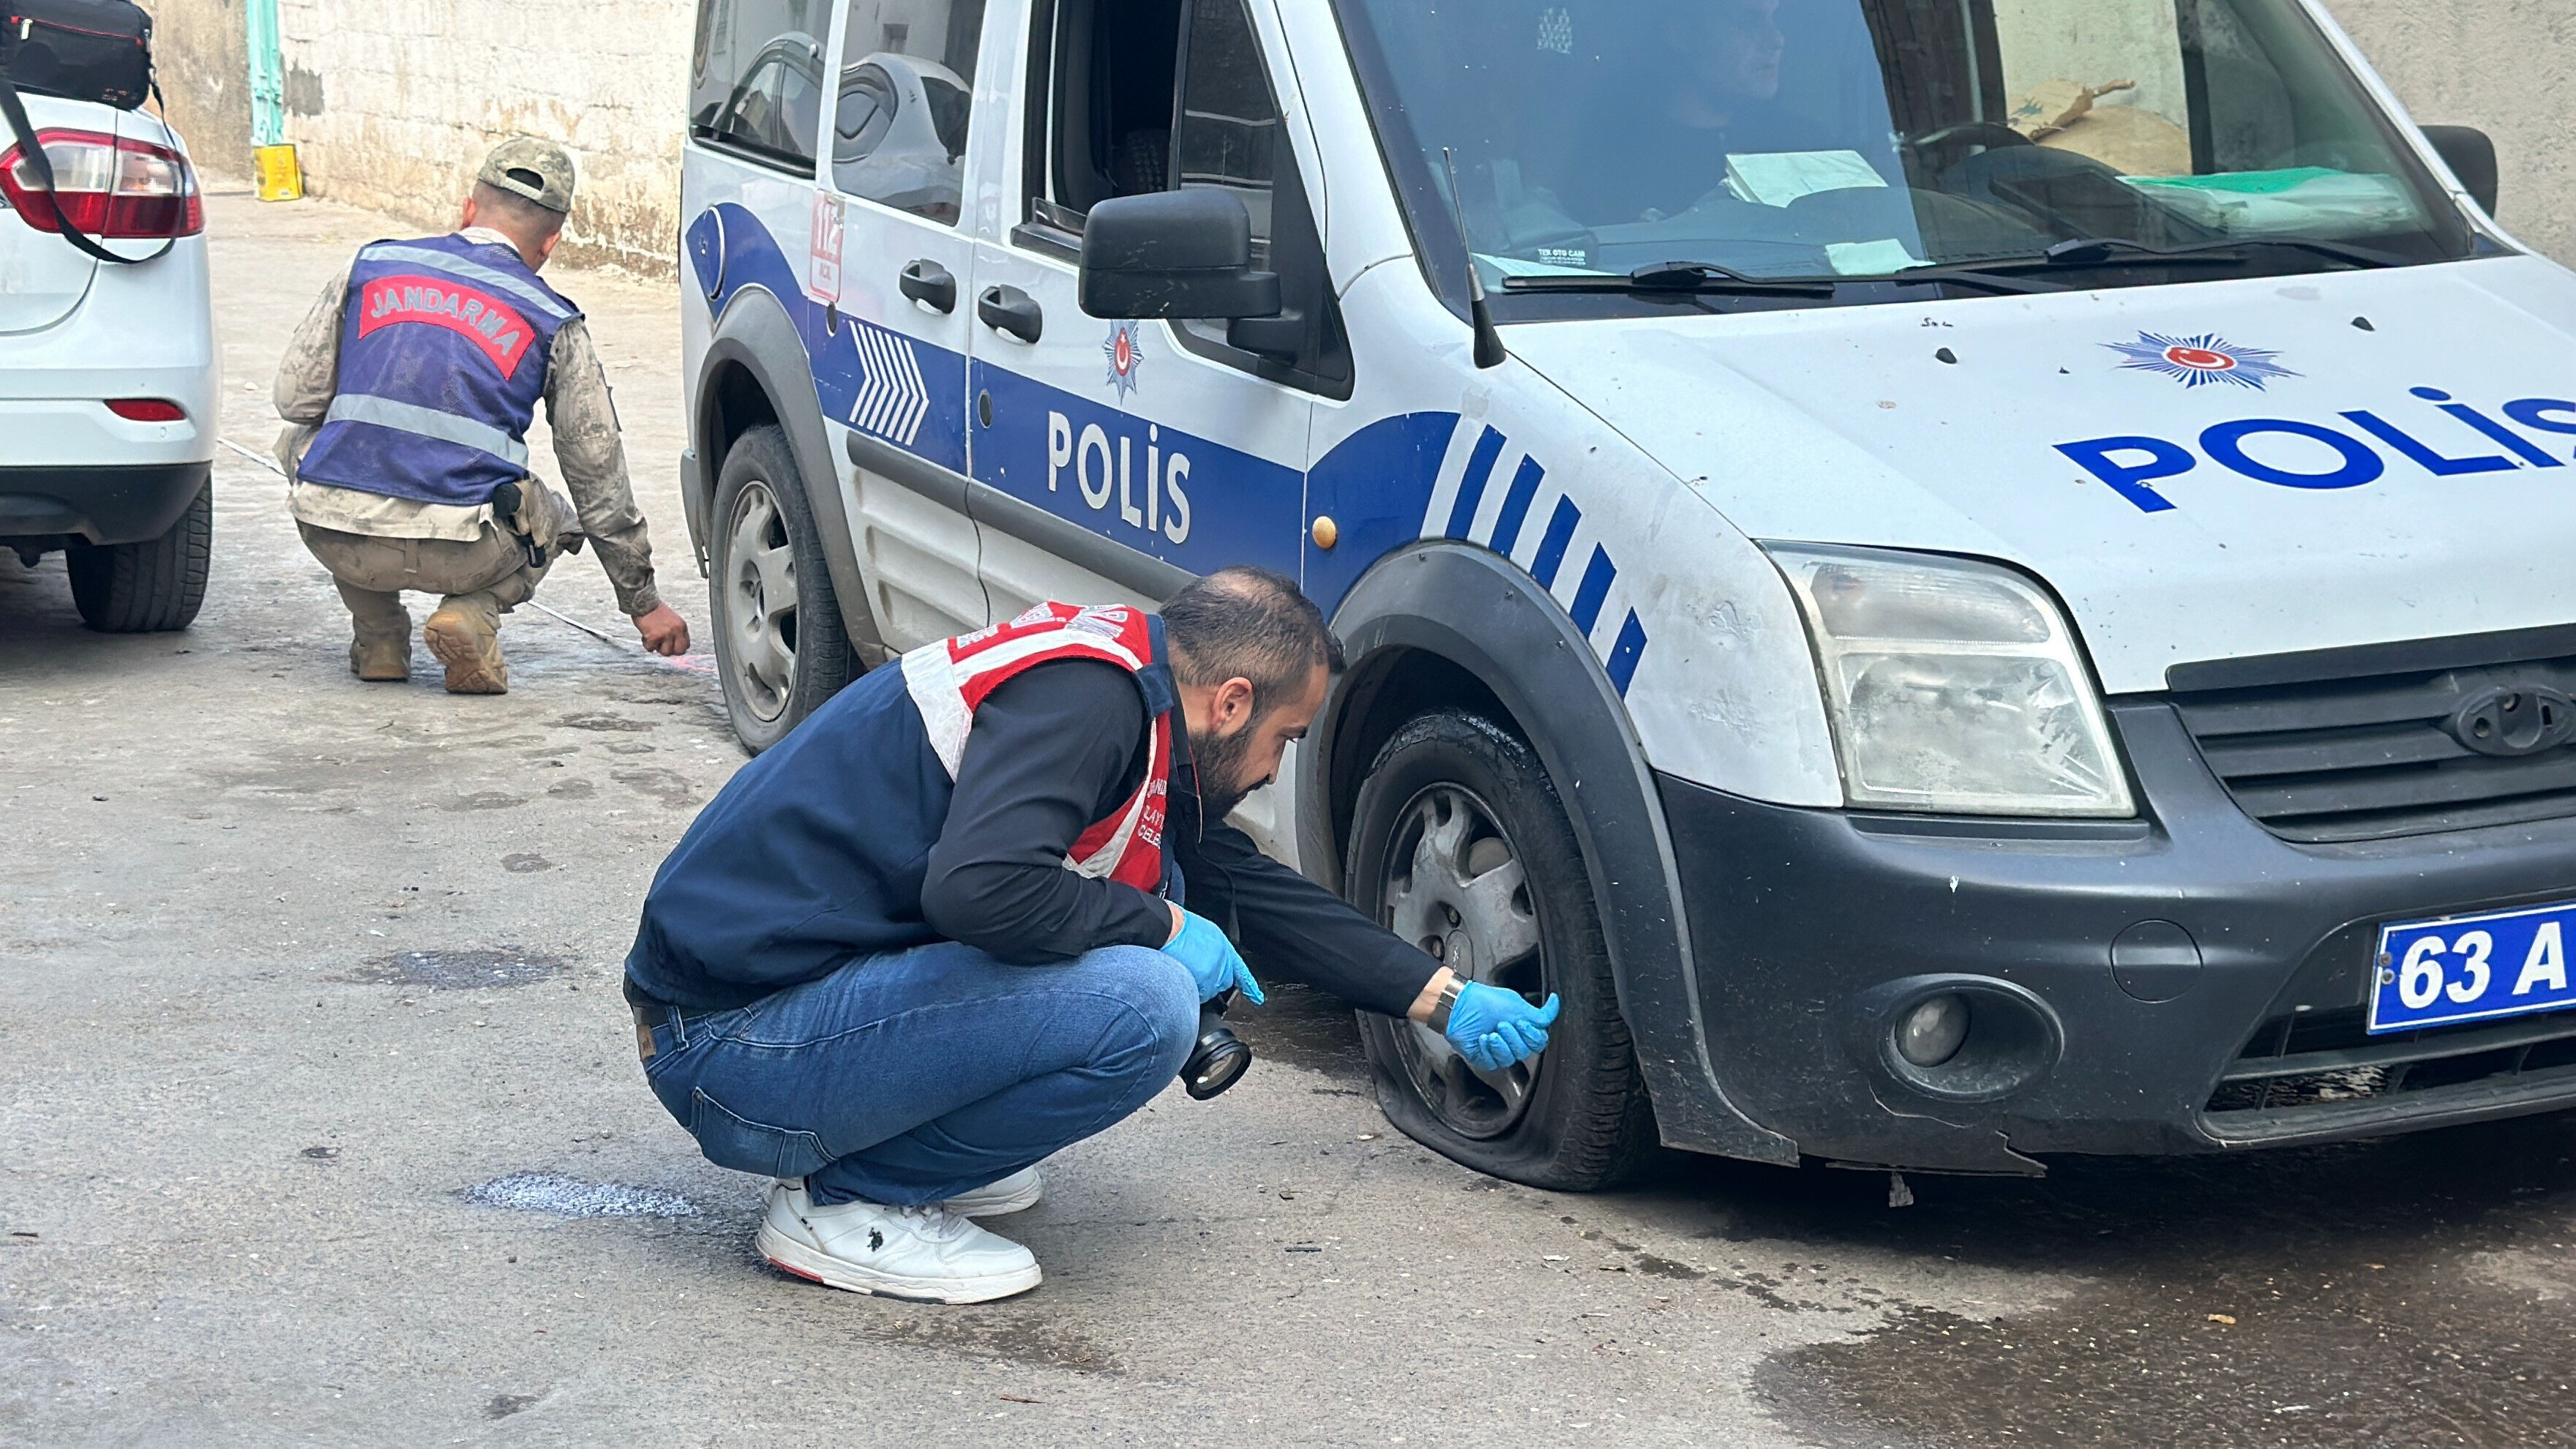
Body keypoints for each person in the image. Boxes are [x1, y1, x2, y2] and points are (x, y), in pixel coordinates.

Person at [622, 568, 1561, 1303]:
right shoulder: (1088, 701)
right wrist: (1155, 923)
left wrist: (1439, 997)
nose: (1276, 770)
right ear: (1231, 701)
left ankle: (891, 1160)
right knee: (1143, 1004)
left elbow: (1248, 889)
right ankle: (843, 1201)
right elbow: (980, 892)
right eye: (1286, 736)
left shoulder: (1126, 687)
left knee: (1169, 895)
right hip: (727, 1047)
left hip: (760, 1013)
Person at [272, 137, 689, 694]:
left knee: (301, 440)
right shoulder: (551, 318)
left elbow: (295, 399)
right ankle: (473, 611)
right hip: (464, 551)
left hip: (338, 536)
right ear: (551, 242)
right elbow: (599, 477)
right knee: (563, 514)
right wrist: (643, 603)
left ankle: (378, 635)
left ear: (468, 210)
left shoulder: (367, 266)